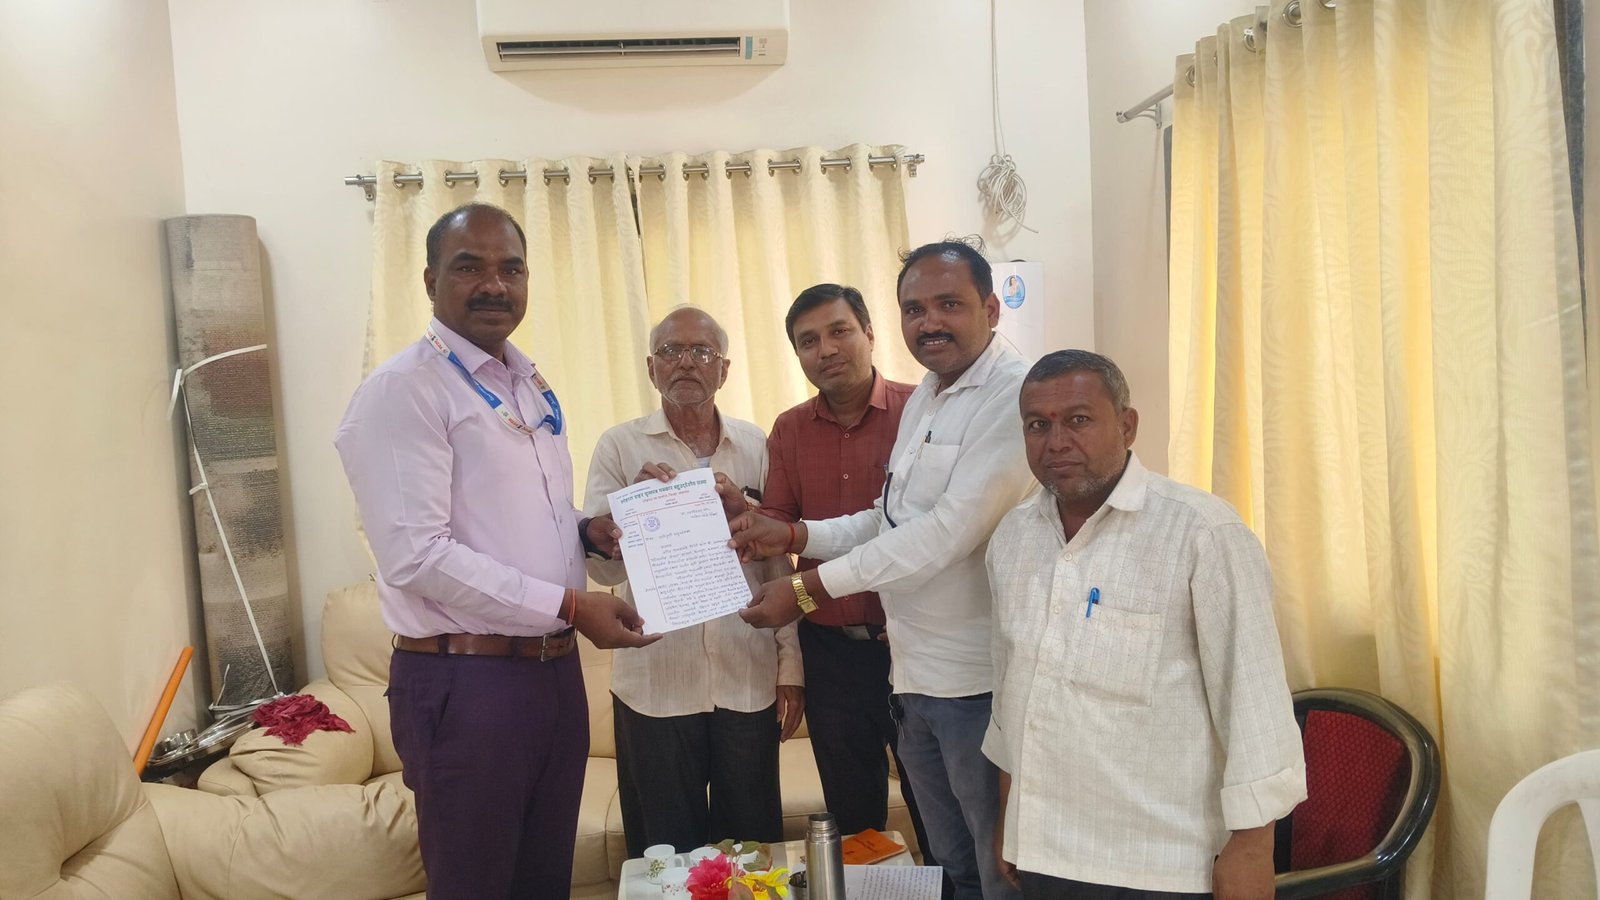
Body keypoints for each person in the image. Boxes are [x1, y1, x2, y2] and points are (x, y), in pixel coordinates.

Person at [334, 203, 658, 900]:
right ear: (429, 279)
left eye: (511, 268)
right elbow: (417, 556)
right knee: (475, 885)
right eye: (469, 267)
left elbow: (519, 517)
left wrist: (587, 532)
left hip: (552, 677)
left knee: (544, 882)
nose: (494, 284)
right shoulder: (403, 390)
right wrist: (571, 605)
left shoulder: (526, 382)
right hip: (467, 682)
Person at [734, 240, 1035, 900]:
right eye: (915, 309)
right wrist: (796, 534)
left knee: (999, 872)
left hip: (976, 683)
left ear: (990, 308)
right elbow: (888, 516)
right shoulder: (931, 392)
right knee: (950, 865)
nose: (930, 322)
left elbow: (946, 533)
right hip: (915, 675)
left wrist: (807, 587)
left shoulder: (1013, 395)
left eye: (949, 304)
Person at [984, 350, 1306, 900]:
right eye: (1038, 425)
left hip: (1159, 863)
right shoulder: (1013, 538)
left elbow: (1254, 706)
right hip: (1045, 849)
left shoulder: (1202, 534)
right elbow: (1013, 694)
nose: (1056, 442)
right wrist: (1011, 820)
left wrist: (1253, 850)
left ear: (1127, 426)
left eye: (1078, 420)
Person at [584, 306, 803, 857]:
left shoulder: (757, 445)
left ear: (724, 369)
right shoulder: (619, 446)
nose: (686, 362)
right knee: (663, 860)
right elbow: (601, 570)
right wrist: (627, 515)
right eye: (670, 351)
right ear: (651, 368)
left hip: (746, 677)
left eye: (702, 351)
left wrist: (791, 668)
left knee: (750, 858)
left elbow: (778, 564)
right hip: (654, 684)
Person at [760, 283, 936, 859]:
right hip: (830, 654)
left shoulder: (922, 411)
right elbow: (778, 525)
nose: (827, 349)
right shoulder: (789, 429)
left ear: (869, 333)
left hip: (913, 645)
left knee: (938, 811)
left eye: (839, 331)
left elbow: (936, 530)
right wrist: (733, 514)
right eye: (808, 341)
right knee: (855, 822)